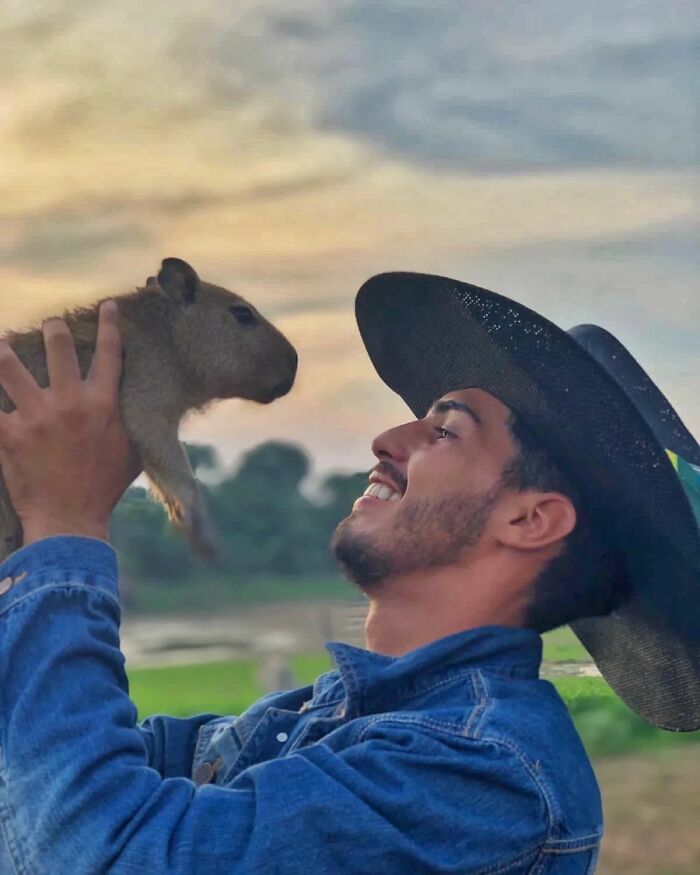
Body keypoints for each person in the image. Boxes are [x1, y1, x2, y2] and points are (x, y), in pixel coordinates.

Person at [0, 273, 697, 874]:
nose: (387, 440)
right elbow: (33, 782)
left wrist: (65, 526)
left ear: (531, 520)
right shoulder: (305, 720)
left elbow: (105, 852)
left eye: (445, 430)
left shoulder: (486, 774)